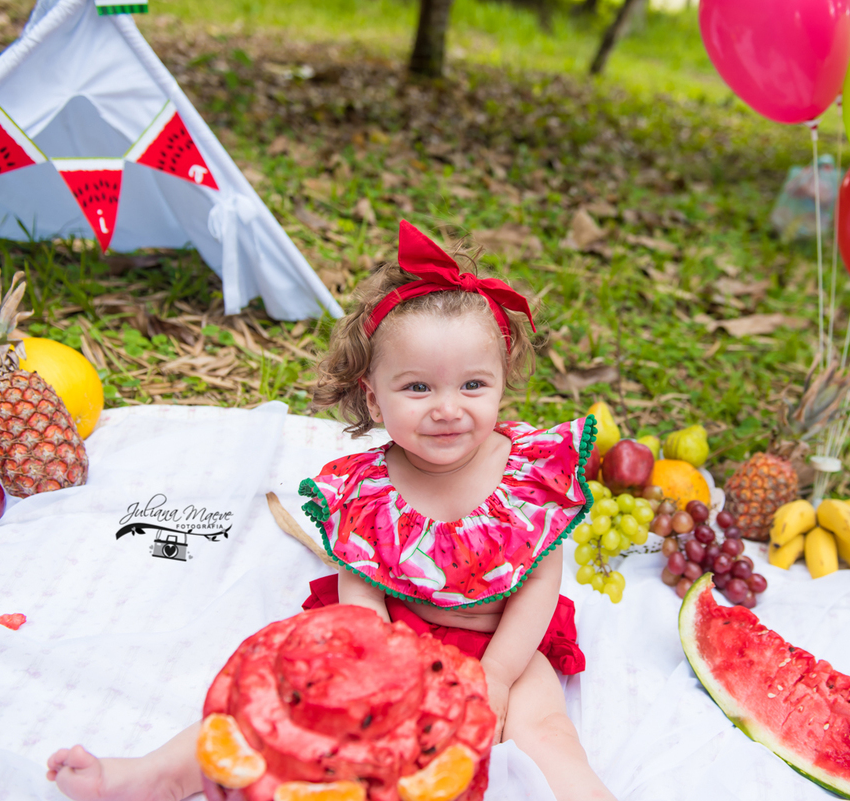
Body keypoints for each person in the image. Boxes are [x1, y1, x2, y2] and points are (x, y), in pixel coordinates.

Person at [47, 220, 615, 801]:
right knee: (282, 702)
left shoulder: (527, 472)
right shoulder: (365, 490)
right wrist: (371, 665)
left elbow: (541, 582)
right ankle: (159, 774)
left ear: (501, 384)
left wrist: (495, 676)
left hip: (503, 646)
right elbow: (361, 584)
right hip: (395, 635)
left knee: (548, 731)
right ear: (373, 395)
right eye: (418, 388)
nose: (448, 409)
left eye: (473, 385)